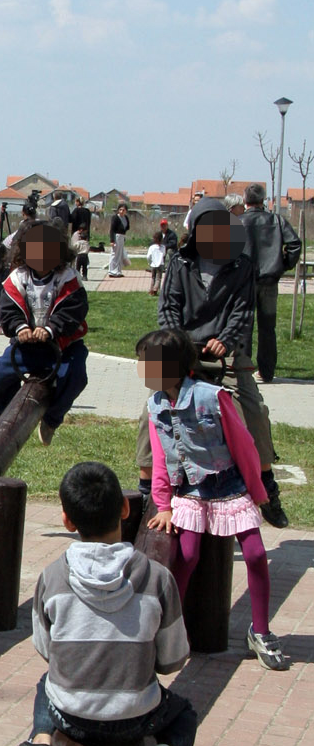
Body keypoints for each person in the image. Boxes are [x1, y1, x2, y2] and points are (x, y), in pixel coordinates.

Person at [0, 462, 197, 746]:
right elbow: (173, 660)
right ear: (125, 508)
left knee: (47, 685)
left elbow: (47, 650)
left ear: (67, 521)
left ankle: (40, 742)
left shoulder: (51, 577)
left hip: (71, 715)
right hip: (137, 717)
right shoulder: (157, 578)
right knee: (183, 713)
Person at [138, 328, 291, 670]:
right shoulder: (155, 405)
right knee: (187, 556)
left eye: (149, 363)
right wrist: (163, 504)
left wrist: (258, 492)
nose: (143, 370)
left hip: (228, 485)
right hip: (190, 490)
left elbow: (244, 445)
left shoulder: (213, 396)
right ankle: (170, 631)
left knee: (255, 553)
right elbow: (161, 458)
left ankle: (261, 631)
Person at [143, 196, 288, 528]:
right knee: (151, 409)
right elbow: (168, 307)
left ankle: (267, 485)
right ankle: (148, 487)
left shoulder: (242, 266)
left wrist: (226, 340)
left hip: (225, 351)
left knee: (254, 410)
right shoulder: (180, 262)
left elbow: (242, 311)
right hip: (182, 348)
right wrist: (179, 344)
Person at [0, 222, 88, 446]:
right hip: (26, 346)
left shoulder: (68, 278)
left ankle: (52, 419)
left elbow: (73, 310)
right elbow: (8, 309)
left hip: (62, 345)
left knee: (76, 376)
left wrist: (51, 329)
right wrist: (20, 327)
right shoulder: (18, 278)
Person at [242, 181, 300, 384]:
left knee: (243, 326)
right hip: (269, 280)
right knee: (268, 328)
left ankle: (243, 370)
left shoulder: (238, 222)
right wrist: (282, 265)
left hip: (244, 282)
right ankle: (266, 371)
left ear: (245, 200)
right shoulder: (277, 220)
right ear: (263, 200)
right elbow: (294, 244)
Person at [69, 198, 92, 281]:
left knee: (76, 250)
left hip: (77, 232)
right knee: (84, 250)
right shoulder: (87, 211)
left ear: (78, 202)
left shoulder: (76, 211)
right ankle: (85, 271)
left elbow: (71, 219)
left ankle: (76, 270)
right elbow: (89, 222)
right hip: (85, 233)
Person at [108, 203, 129, 277]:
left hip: (122, 236)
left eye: (123, 210)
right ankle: (112, 271)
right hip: (116, 236)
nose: (121, 211)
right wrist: (112, 240)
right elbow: (112, 229)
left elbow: (126, 227)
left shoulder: (126, 218)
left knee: (120, 255)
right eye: (120, 210)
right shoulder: (115, 217)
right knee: (114, 254)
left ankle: (118, 271)